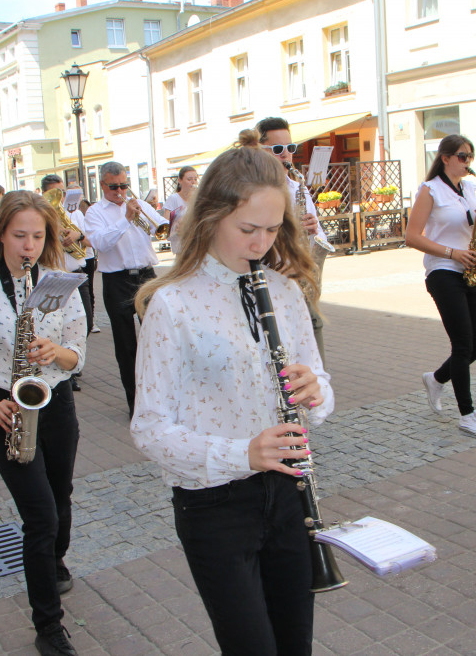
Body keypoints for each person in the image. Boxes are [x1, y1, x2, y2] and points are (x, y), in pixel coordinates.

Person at [131, 130, 332, 655]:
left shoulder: (285, 292)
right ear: (212, 215)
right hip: (214, 505)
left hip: (289, 492)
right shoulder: (172, 305)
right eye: (248, 228)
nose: (262, 243)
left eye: (272, 228)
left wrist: (316, 391)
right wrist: (241, 453)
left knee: (295, 646)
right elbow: (150, 429)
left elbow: (322, 391)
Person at [0, 191, 86, 656]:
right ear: (0, 235)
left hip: (56, 400)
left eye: (37, 236)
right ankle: (48, 626)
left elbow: (77, 355)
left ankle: (54, 563)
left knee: (61, 499)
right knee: (41, 516)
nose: (28, 246)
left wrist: (56, 351)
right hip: (5, 408)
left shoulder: (60, 284)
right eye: (19, 236)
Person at [406, 134, 476, 436]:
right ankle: (467, 413)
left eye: (470, 156)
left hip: (470, 268)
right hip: (443, 270)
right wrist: (452, 252)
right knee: (463, 344)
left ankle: (436, 378)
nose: (468, 161)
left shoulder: (471, 188)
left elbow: (472, 224)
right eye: (462, 156)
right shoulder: (430, 190)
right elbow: (412, 236)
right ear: (445, 158)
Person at [82, 162, 159, 416]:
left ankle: (159, 397)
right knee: (126, 345)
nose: (120, 191)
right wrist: (126, 220)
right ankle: (135, 403)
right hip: (117, 280)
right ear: (102, 185)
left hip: (147, 277)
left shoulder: (141, 204)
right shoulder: (95, 212)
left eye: (124, 185)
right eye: (114, 187)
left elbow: (160, 227)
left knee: (157, 337)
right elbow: (100, 243)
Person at [256, 117, 330, 365]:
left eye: (291, 148)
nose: (286, 154)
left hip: (301, 277)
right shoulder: (255, 190)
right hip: (272, 279)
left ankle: (318, 392)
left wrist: (312, 231)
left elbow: (319, 234)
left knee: (313, 332)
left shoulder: (298, 186)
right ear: (261, 150)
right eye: (278, 149)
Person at [41, 175, 94, 392]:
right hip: (56, 278)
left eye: (61, 193)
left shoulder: (75, 214)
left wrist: (78, 236)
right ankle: (67, 372)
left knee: (87, 323)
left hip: (77, 273)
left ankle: (72, 356)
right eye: (54, 193)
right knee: (58, 327)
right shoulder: (41, 218)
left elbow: (92, 242)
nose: (60, 198)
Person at [163, 166, 197, 254]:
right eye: (189, 179)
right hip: (180, 246)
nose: (193, 182)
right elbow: (166, 223)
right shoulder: (173, 198)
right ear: (180, 180)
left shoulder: (198, 199)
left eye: (195, 179)